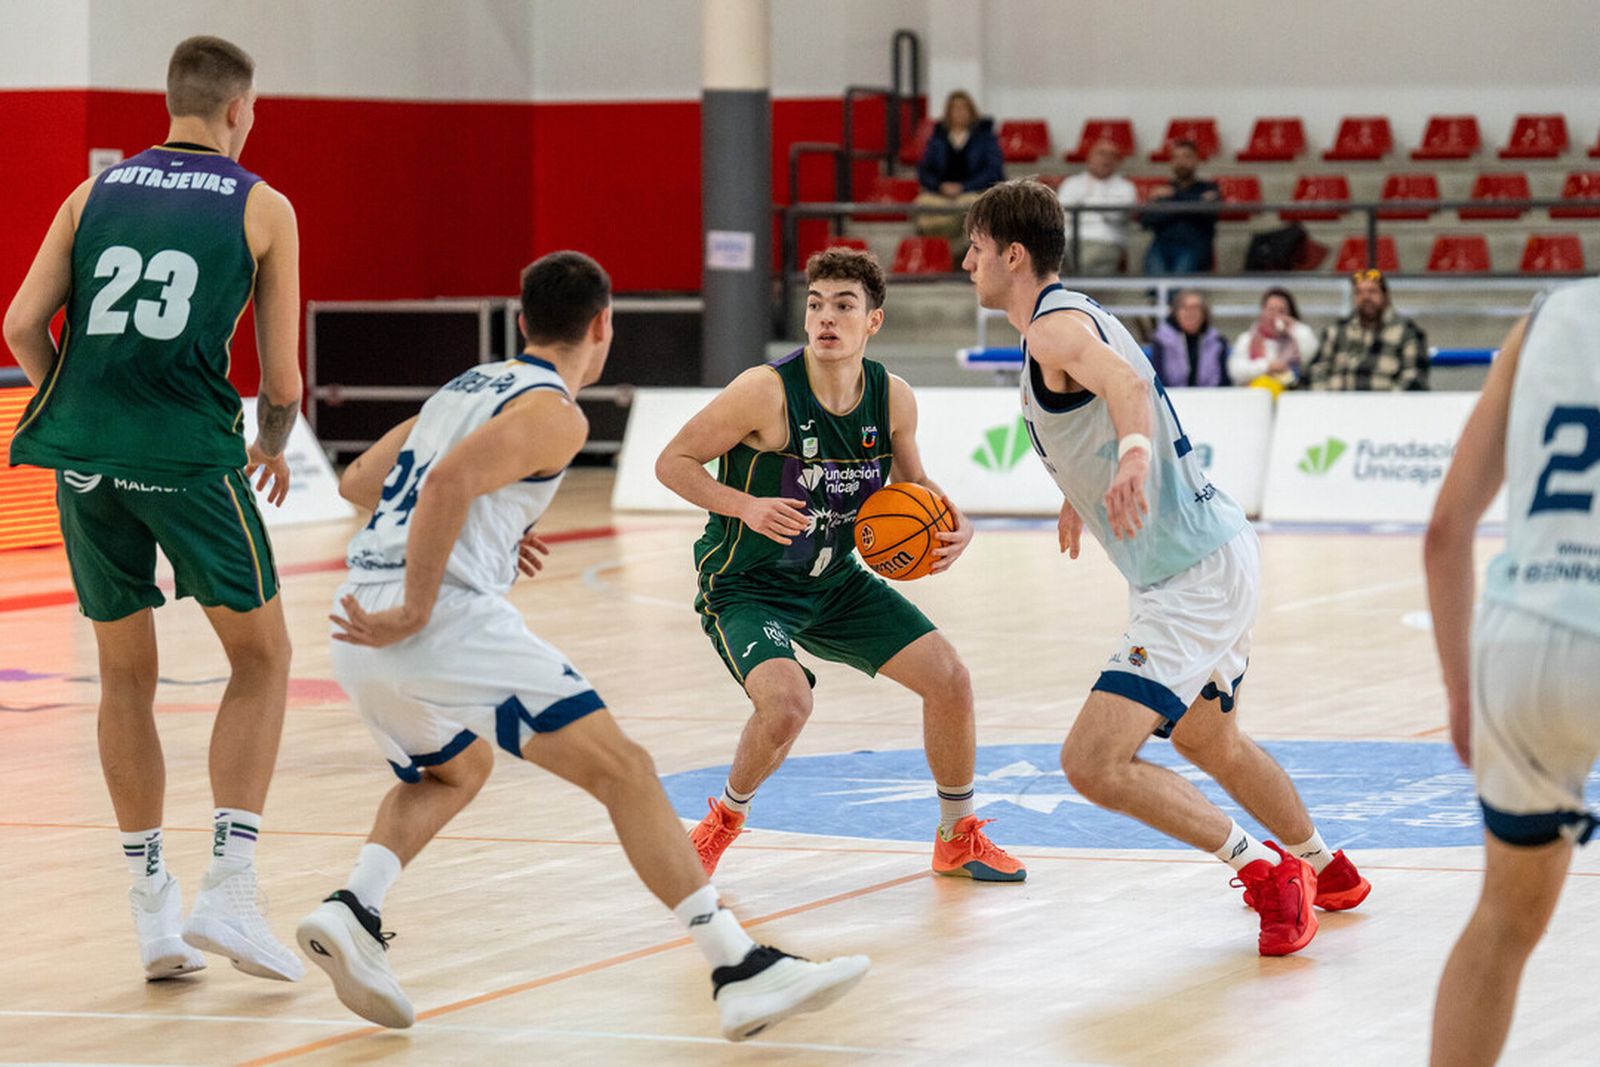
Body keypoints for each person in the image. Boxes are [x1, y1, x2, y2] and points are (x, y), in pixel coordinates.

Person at [300, 251, 868, 1041]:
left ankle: (354, 906)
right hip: (435, 622)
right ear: (603, 326)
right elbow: (448, 484)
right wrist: (419, 604)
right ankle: (737, 967)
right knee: (626, 770)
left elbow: (362, 480)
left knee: (455, 768)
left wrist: (492, 529)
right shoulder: (556, 412)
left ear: (522, 321)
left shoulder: (463, 388)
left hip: (354, 620)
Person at [961, 179, 1370, 956]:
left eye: (975, 248)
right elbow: (1113, 395)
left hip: (1192, 576)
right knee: (1212, 741)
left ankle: (1267, 874)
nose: (965, 262)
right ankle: (1329, 869)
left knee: (1091, 761)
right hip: (1215, 551)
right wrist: (1083, 488)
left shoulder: (1053, 330)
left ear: (1013, 255)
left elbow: (1123, 386)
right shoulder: (1074, 315)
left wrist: (1132, 459)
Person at [3, 36, 304, 982]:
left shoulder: (91, 193)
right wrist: (272, 445)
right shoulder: (262, 204)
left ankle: (152, 914)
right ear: (238, 109)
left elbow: (20, 324)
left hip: (82, 455)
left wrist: (76, 406)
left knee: (123, 674)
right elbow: (282, 382)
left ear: (171, 101)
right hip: (186, 455)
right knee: (262, 657)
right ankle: (231, 887)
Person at [655, 248, 1024, 884]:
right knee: (787, 706)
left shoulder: (893, 398)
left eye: (844, 306)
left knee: (951, 680)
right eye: (816, 304)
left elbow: (914, 486)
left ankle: (957, 837)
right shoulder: (763, 391)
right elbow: (673, 462)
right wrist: (745, 505)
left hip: (836, 582)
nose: (826, 317)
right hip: (748, 586)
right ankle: (723, 822)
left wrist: (954, 522)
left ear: (873, 321)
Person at [1425, 278, 1600, 1066]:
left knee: (1502, 922)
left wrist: (1462, 691)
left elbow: (1445, 530)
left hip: (1521, 643)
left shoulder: (1545, 316)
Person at [1304, 269, 1429, 391]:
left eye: (1372, 291)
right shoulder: (1335, 331)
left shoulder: (1407, 332)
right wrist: (1323, 399)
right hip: (1336, 402)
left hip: (1386, 402)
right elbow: (1316, 371)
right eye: (1359, 292)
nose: (1365, 297)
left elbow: (1414, 377)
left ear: (1386, 296)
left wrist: (1389, 402)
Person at [914, 90, 1004, 250]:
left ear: (971, 111)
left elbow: (993, 171)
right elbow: (924, 171)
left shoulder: (985, 137)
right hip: (941, 194)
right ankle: (948, 248)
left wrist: (963, 187)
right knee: (922, 203)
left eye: (963, 108)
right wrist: (940, 186)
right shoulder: (937, 138)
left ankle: (953, 247)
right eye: (955, 108)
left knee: (970, 205)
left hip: (972, 192)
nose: (959, 112)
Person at [1056, 139, 1137, 275]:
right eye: (1101, 153)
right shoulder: (1072, 183)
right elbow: (1062, 214)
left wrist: (1085, 202)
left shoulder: (1126, 187)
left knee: (1089, 261)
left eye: (1112, 155)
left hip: (1105, 240)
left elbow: (1117, 216)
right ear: (1090, 158)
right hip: (1069, 240)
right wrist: (1102, 204)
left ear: (1117, 162)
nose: (1106, 159)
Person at [1141, 139, 1220, 274]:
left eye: (1186, 157)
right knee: (1155, 281)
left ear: (1196, 160)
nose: (1181, 162)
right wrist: (1194, 204)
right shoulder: (1162, 189)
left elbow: (1209, 213)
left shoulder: (1209, 188)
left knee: (1179, 281)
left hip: (1194, 247)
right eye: (1176, 158)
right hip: (1161, 246)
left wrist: (1172, 200)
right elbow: (1146, 221)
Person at [1229, 287, 1318, 389]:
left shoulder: (1296, 338)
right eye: (1271, 309)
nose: (1275, 315)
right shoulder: (1247, 339)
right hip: (1255, 393)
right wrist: (1268, 366)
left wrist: (1293, 327)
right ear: (1263, 311)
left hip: (1289, 393)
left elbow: (1311, 352)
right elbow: (1236, 371)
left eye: (1281, 311)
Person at [1147, 289, 1229, 387]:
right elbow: (1158, 379)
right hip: (1172, 394)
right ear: (1175, 312)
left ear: (1204, 313)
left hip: (1211, 394)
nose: (1190, 312)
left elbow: (1224, 382)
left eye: (1196, 308)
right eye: (1184, 307)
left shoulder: (1217, 341)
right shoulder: (1162, 340)